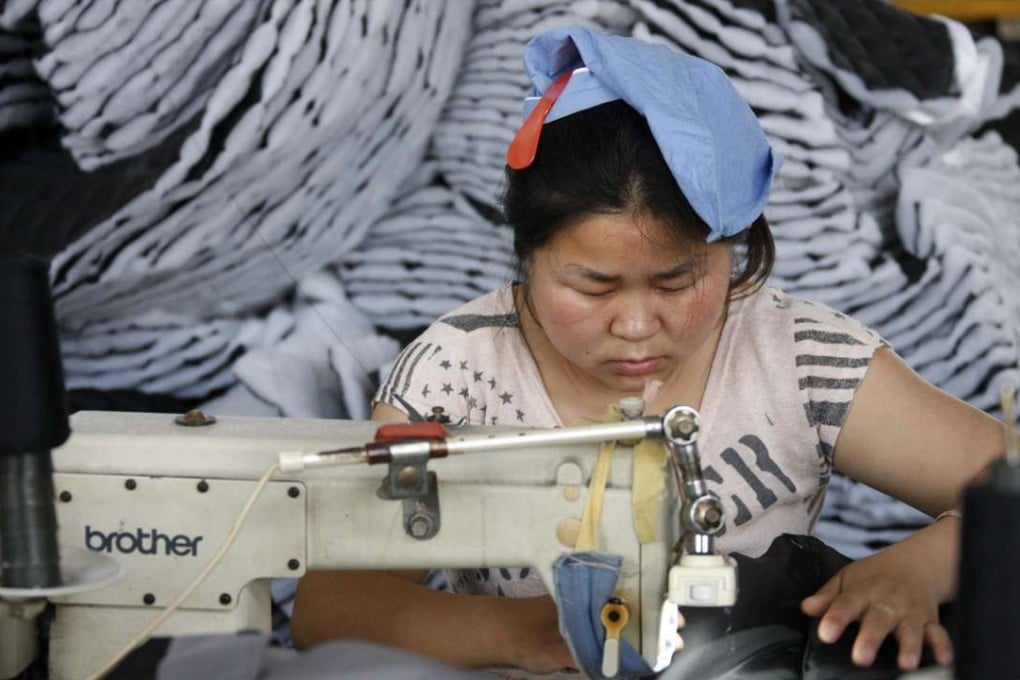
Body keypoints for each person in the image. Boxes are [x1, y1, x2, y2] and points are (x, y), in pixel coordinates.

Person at [290, 26, 1005, 677]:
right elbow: (333, 608)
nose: (635, 325)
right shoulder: (455, 377)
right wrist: (530, 634)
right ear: (528, 256)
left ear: (734, 251)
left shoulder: (796, 357)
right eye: (593, 286)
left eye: (676, 282)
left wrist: (921, 567)